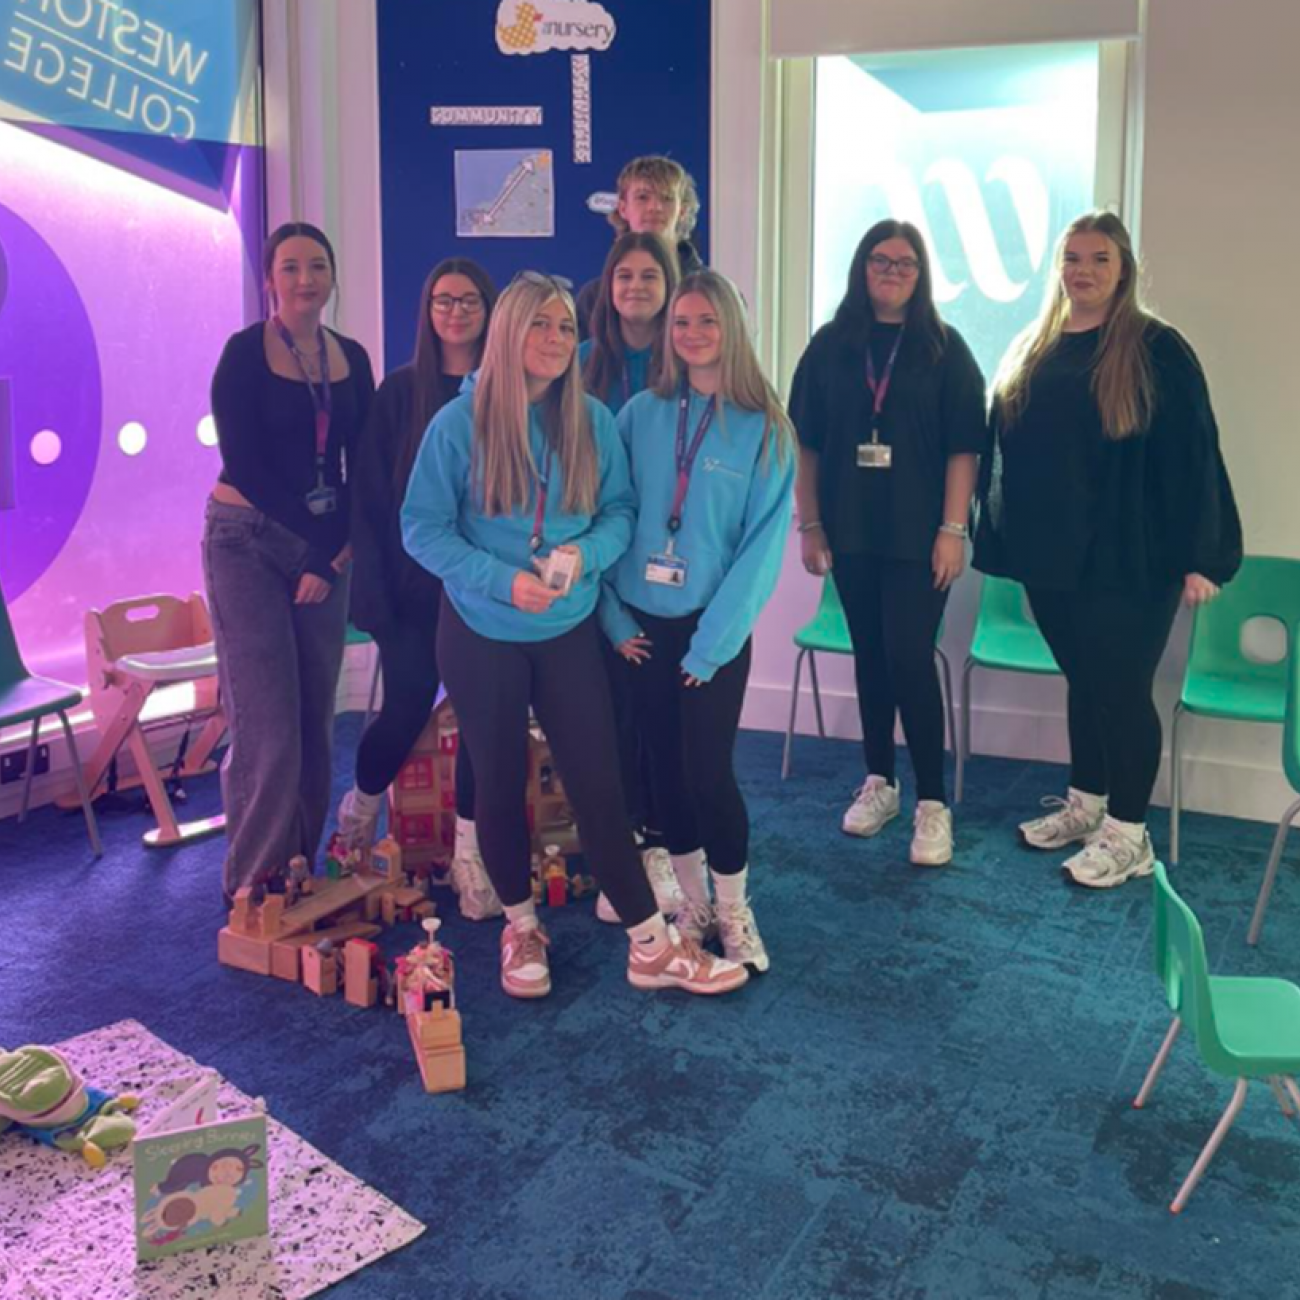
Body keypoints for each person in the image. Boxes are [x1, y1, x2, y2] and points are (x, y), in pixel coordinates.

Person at [401, 271, 748, 999]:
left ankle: (650, 944)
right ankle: (521, 925)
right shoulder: (456, 427)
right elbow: (420, 529)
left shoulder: (591, 419)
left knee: (599, 782)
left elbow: (620, 512)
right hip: (480, 628)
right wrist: (502, 581)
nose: (558, 340)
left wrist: (582, 556)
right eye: (541, 325)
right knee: (496, 780)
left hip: (566, 628)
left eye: (565, 326)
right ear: (508, 333)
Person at [974, 210, 1242, 888]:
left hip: (1133, 558)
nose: (1082, 271)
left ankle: (1130, 834)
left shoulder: (1157, 348)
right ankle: (1087, 804)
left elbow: (1193, 454)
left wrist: (1202, 555)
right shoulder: (1038, 344)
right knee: (1085, 682)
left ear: (1122, 269)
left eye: (1097, 259)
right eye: (1071, 258)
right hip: (1052, 556)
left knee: (1120, 690)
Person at [601, 269, 795, 972]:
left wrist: (711, 647)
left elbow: (761, 551)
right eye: (681, 322)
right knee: (663, 775)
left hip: (712, 635)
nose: (692, 334)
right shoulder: (640, 415)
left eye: (707, 321)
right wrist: (615, 618)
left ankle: (736, 910)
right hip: (640, 632)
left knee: (709, 774)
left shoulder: (766, 428)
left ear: (733, 330)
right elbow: (606, 519)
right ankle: (693, 902)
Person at [789, 220, 987, 866]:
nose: (893, 272)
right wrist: (810, 522)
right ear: (862, 268)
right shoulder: (830, 347)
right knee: (870, 655)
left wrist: (953, 530)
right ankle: (881, 781)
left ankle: (933, 802)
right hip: (850, 532)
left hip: (920, 536)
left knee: (909, 656)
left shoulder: (944, 348)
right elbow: (808, 444)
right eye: (881, 260)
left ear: (921, 273)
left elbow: (965, 448)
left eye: (905, 263)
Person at [204, 222, 375, 902]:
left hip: (323, 550)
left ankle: (297, 869)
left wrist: (333, 556)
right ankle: (252, 882)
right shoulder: (244, 354)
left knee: (313, 717)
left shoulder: (353, 358)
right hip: (246, 539)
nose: (306, 279)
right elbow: (242, 460)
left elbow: (361, 464)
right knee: (267, 722)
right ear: (270, 280)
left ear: (333, 276)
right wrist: (314, 545)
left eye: (318, 266)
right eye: (291, 267)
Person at [341, 258, 502, 920]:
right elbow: (372, 501)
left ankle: (471, 855)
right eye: (443, 300)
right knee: (405, 708)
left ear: (489, 311)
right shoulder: (399, 392)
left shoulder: (508, 393)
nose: (456, 312)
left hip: (483, 594)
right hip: (408, 595)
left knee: (480, 726)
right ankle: (360, 812)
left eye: (469, 301)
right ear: (427, 310)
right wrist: (372, 600)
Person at [578, 231, 683, 921]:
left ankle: (660, 845)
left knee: (659, 714)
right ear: (608, 288)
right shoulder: (580, 362)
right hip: (592, 553)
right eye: (625, 276)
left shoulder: (687, 360)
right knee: (605, 714)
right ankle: (613, 848)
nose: (637, 287)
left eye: (650, 275)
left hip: (663, 560)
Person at [575, 155, 704, 337]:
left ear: (682, 211)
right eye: (643, 197)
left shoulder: (711, 294)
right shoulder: (594, 299)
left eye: (667, 198)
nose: (655, 207)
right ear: (622, 209)